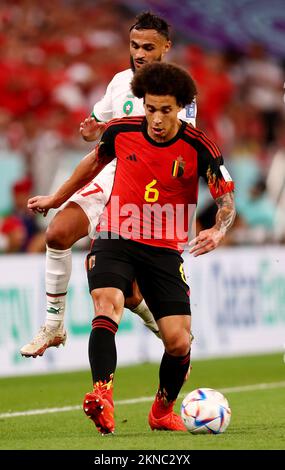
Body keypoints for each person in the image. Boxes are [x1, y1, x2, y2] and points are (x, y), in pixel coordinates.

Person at [26, 62, 235, 433]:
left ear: (182, 107)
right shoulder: (122, 130)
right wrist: (56, 198)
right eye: (150, 108)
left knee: (178, 341)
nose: (155, 118)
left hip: (164, 249)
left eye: (165, 110)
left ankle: (161, 411)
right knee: (107, 305)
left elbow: (226, 200)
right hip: (115, 236)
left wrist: (219, 230)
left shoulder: (199, 145)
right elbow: (92, 164)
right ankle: (101, 397)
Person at [20, 11, 197, 358]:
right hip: (109, 175)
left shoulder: (180, 91)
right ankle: (54, 327)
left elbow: (179, 144)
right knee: (56, 234)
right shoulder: (119, 82)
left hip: (146, 193)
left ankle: (161, 329)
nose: (140, 53)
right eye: (134, 46)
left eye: (148, 47)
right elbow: (100, 124)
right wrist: (92, 130)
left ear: (166, 48)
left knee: (129, 295)